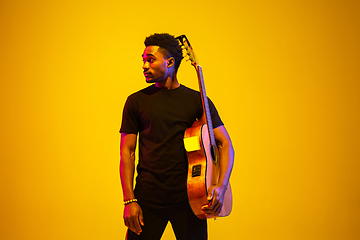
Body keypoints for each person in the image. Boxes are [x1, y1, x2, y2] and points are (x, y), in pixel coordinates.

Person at [119, 33, 234, 240]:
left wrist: (221, 185)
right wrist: (129, 201)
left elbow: (224, 143)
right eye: (143, 60)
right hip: (148, 198)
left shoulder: (197, 100)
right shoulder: (136, 102)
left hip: (191, 198)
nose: (144, 65)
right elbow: (127, 152)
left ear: (170, 62)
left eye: (150, 60)